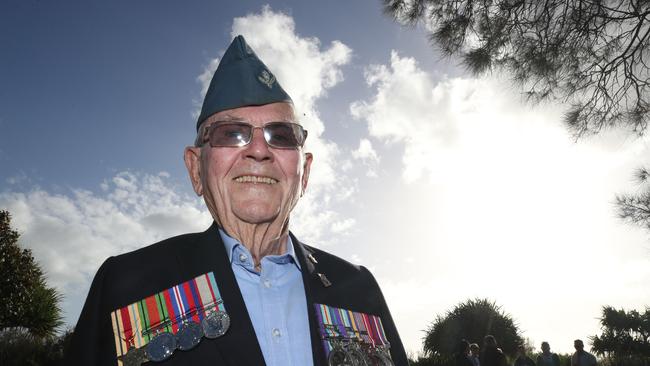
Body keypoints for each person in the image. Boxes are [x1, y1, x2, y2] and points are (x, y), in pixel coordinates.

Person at [66, 35, 407, 366]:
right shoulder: (126, 284)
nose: (259, 150)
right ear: (195, 169)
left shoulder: (358, 289)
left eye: (282, 135)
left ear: (304, 173)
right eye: (231, 133)